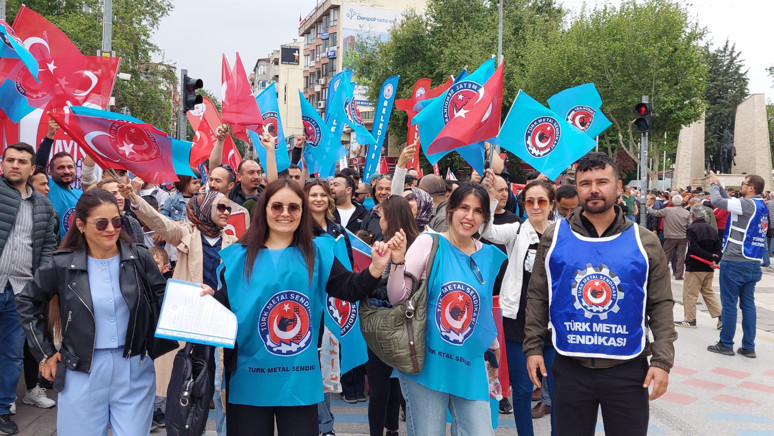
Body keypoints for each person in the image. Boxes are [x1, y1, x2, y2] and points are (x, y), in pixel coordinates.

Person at [201, 179, 395, 436]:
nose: (285, 213)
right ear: (265, 209)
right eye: (277, 206)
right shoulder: (239, 255)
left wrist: (375, 269)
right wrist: (208, 297)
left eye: (293, 207)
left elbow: (348, 288)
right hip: (249, 374)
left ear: (303, 212)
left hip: (299, 377)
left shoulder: (318, 251)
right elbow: (226, 302)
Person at [523, 152, 676, 436]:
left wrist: (662, 360)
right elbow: (538, 296)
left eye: (602, 182)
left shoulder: (646, 241)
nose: (593, 189)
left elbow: (661, 303)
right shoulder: (554, 236)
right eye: (585, 183)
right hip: (570, 366)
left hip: (628, 370)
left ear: (619, 188)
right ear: (576, 188)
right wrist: (532, 347)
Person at [17, 189, 176, 435]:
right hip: (82, 371)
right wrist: (45, 353)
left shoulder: (139, 258)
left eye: (116, 221)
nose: (110, 229)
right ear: (80, 225)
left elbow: (163, 298)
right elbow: (27, 301)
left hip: (134, 368)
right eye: (101, 223)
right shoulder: (62, 264)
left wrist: (196, 300)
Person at [386, 183, 507, 436]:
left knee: (480, 431)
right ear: (451, 210)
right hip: (427, 360)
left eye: (477, 211)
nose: (469, 216)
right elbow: (398, 297)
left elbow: (481, 308)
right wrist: (398, 261)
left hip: (470, 362)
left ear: (485, 217)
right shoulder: (429, 243)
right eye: (464, 208)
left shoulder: (488, 255)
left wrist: (493, 346)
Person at [482, 176, 556, 435]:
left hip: (553, 323)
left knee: (557, 389)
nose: (536, 206)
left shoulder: (564, 234)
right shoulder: (515, 230)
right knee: (522, 388)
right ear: (523, 204)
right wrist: (490, 198)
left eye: (542, 201)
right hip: (519, 321)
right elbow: (487, 231)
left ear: (551, 204)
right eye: (530, 201)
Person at [0, 142, 58, 433]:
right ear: (2, 164)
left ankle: (2, 410)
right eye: (9, 159)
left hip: (22, 291)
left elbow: (49, 245)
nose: (14, 165)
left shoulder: (44, 206)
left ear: (31, 168)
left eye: (21, 161)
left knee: (12, 352)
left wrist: (40, 281)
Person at [364, 195, 419, 436]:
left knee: (380, 387)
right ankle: (393, 429)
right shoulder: (420, 242)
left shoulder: (398, 247)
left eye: (382, 217)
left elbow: (388, 289)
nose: (379, 221)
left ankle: (383, 430)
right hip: (410, 323)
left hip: (384, 322)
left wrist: (370, 277)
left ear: (390, 219)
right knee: (397, 381)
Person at [706, 171, 767, 358]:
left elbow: (717, 202)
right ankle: (748, 346)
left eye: (743, 183)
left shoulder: (746, 204)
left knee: (730, 304)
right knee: (748, 305)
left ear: (751, 187)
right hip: (752, 262)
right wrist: (721, 184)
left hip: (734, 261)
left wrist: (713, 185)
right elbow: (730, 201)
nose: (740, 185)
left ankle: (726, 343)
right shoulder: (759, 205)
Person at [675, 204, 722, 329]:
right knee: (708, 292)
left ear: (693, 215)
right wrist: (714, 258)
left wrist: (707, 256)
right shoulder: (712, 229)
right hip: (709, 267)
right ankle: (722, 317)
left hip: (695, 265)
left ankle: (690, 320)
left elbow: (694, 247)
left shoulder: (692, 228)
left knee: (690, 293)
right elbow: (718, 247)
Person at [647, 195, 690, 280]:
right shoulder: (686, 212)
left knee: (665, 255)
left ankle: (661, 273)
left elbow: (656, 213)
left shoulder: (667, 210)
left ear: (673, 202)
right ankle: (679, 275)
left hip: (670, 236)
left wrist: (647, 207)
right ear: (682, 202)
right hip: (682, 237)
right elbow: (689, 225)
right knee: (680, 256)